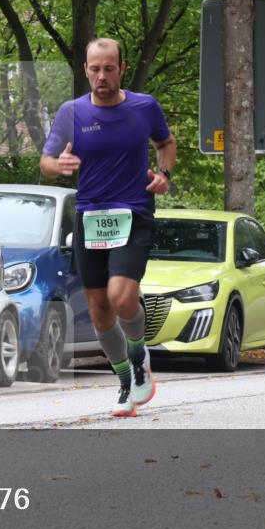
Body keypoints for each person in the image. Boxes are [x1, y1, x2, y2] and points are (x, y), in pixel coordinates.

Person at [40, 37, 177, 416]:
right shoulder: (72, 112)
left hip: (133, 213)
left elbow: (166, 143)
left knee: (121, 296)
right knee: (99, 309)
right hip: (90, 216)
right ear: (85, 70)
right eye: (95, 68)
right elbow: (47, 161)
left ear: (121, 68)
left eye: (109, 68)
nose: (101, 75)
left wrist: (163, 174)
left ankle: (138, 355)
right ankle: (125, 382)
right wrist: (60, 167)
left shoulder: (144, 107)